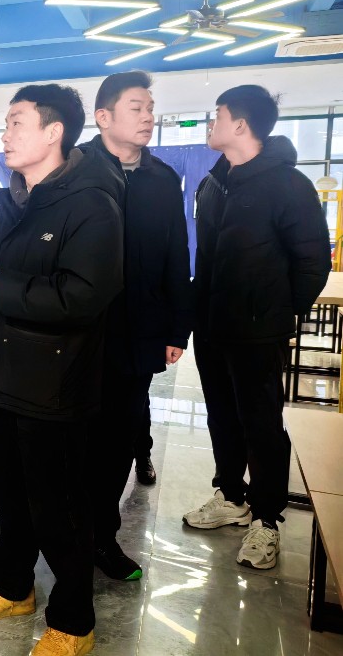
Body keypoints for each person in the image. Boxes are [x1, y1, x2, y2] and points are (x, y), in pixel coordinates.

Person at [0, 84, 124, 656]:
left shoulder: (91, 203)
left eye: (16, 123)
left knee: (59, 506)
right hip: (1, 369)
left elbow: (83, 296)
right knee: (7, 493)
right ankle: (13, 585)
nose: (5, 135)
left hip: (54, 380)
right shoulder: (12, 199)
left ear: (54, 132)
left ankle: (74, 621)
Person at [183, 85, 330, 570]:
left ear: (241, 124)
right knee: (221, 416)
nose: (211, 124)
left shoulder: (288, 186)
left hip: (258, 332)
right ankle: (231, 496)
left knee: (261, 424)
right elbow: (207, 259)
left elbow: (312, 262)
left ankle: (267, 518)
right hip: (212, 326)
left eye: (217, 115)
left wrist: (275, 314)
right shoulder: (214, 182)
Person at [77, 71, 193, 582]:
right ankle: (61, 535)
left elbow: (176, 253)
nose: (148, 116)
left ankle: (102, 538)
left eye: (150, 108)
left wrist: (176, 328)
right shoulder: (73, 167)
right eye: (136, 107)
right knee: (72, 439)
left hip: (136, 330)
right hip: (77, 330)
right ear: (103, 117)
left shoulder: (162, 178)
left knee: (119, 439)